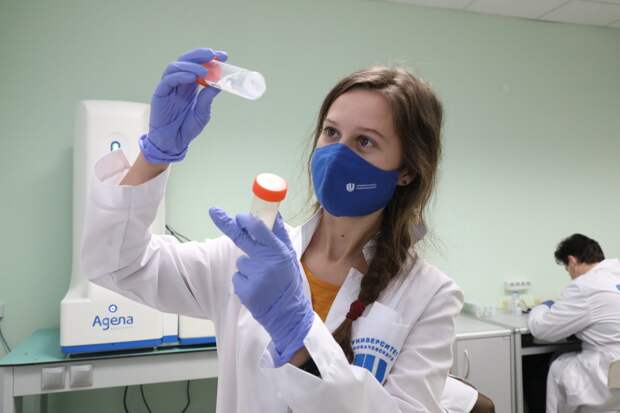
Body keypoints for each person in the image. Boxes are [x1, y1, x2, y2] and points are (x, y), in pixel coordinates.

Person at [81, 47, 464, 412]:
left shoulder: (429, 296)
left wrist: (297, 333)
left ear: (406, 170)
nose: (336, 155)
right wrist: (156, 154)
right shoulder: (248, 260)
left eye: (365, 141)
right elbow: (118, 265)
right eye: (331, 133)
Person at [528, 234, 620, 413]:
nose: (570, 275)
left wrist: (542, 307)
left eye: (567, 269)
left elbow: (542, 329)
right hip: (615, 366)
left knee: (545, 364)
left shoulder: (585, 285)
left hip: (608, 374)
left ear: (572, 261)